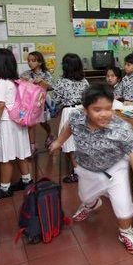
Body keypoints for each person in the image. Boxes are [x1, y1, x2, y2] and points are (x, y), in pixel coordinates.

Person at [49, 84, 133, 254]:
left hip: (115, 169)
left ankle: (126, 232)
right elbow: (69, 128)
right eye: (97, 109)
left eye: (108, 108)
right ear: (85, 110)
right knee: (86, 197)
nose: (104, 114)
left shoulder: (121, 127)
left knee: (123, 206)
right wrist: (59, 141)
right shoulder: (76, 117)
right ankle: (92, 204)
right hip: (87, 168)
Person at [0, 48, 33, 197]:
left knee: (5, 156)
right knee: (20, 153)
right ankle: (27, 181)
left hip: (6, 122)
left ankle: (5, 188)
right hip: (17, 121)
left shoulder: (0, 82)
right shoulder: (12, 80)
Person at [46, 53, 90, 183]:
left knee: (70, 145)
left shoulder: (61, 82)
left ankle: (77, 172)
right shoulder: (84, 81)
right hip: (83, 111)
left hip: (69, 112)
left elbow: (55, 100)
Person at [20, 51, 54, 151]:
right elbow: (19, 85)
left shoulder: (46, 74)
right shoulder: (26, 74)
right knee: (31, 123)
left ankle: (50, 133)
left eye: (33, 61)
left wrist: (43, 82)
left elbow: (52, 87)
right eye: (29, 61)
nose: (30, 63)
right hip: (30, 102)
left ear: (40, 62)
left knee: (43, 122)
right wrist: (23, 81)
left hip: (42, 101)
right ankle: (32, 145)